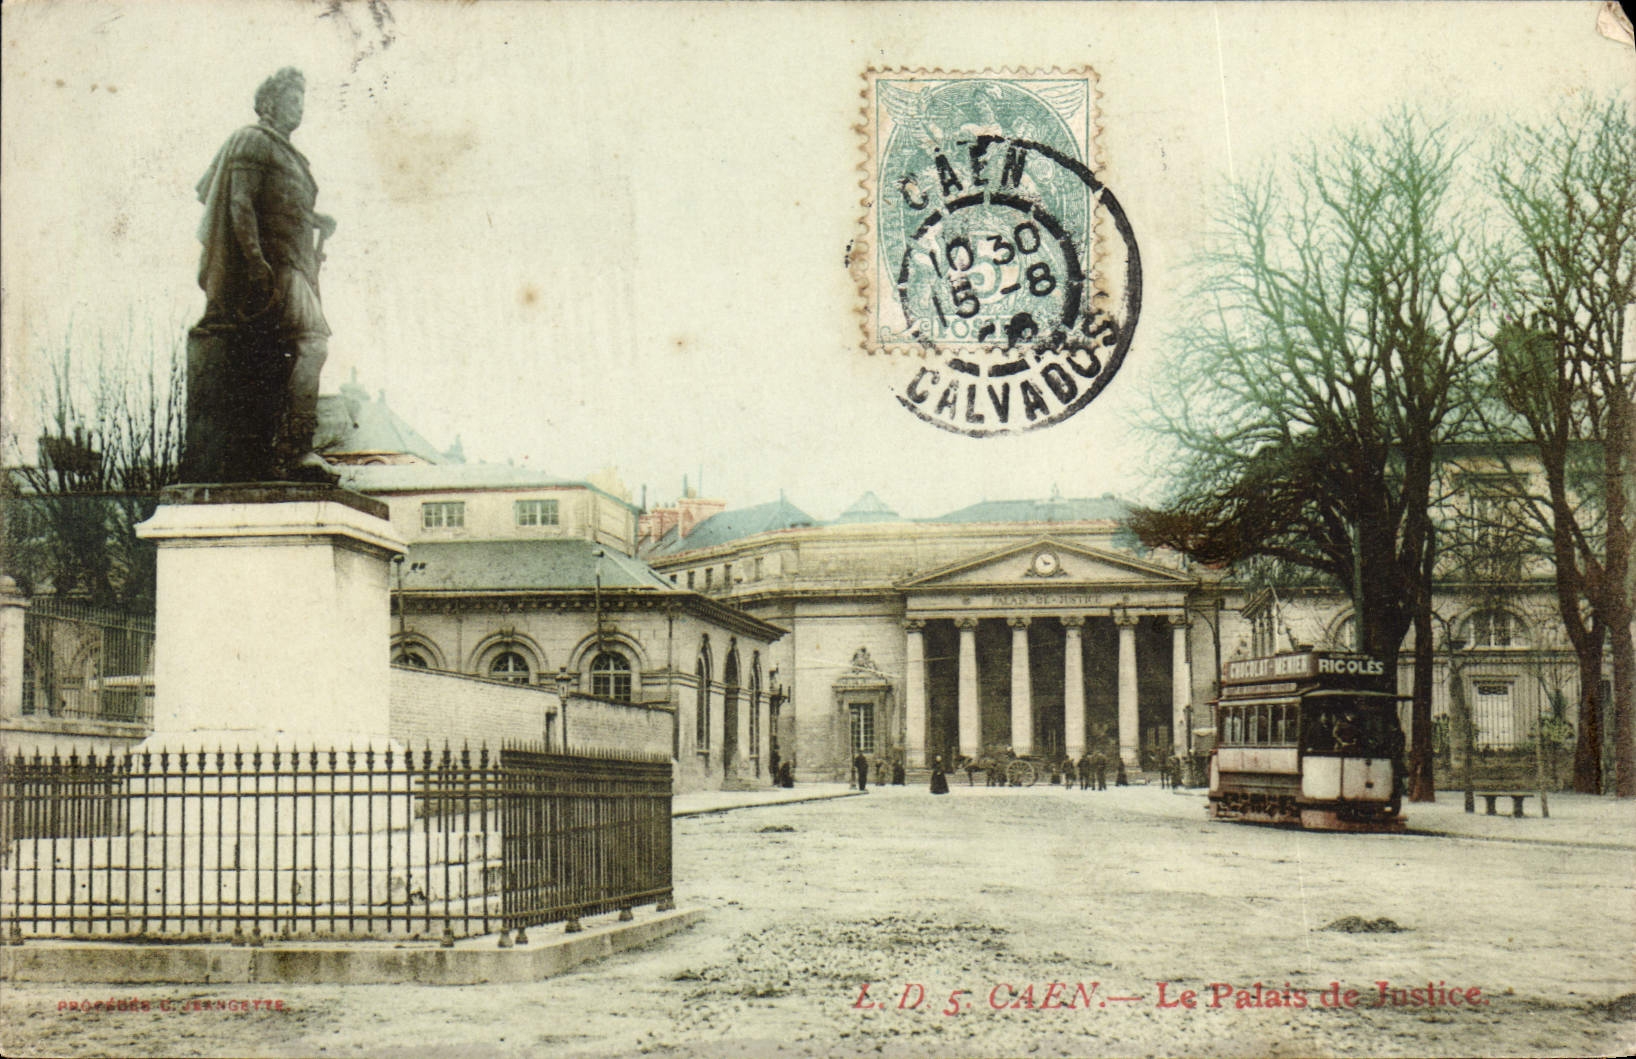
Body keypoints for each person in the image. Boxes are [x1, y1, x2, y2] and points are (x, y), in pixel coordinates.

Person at [188, 67, 339, 484]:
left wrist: (314, 218)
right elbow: (241, 205)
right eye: (293, 99)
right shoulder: (252, 141)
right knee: (313, 342)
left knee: (295, 352)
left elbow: (282, 206)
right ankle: (297, 450)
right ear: (270, 102)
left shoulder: (290, 156)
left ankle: (288, 450)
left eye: (303, 101)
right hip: (276, 268)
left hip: (296, 265)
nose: (300, 109)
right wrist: (255, 262)